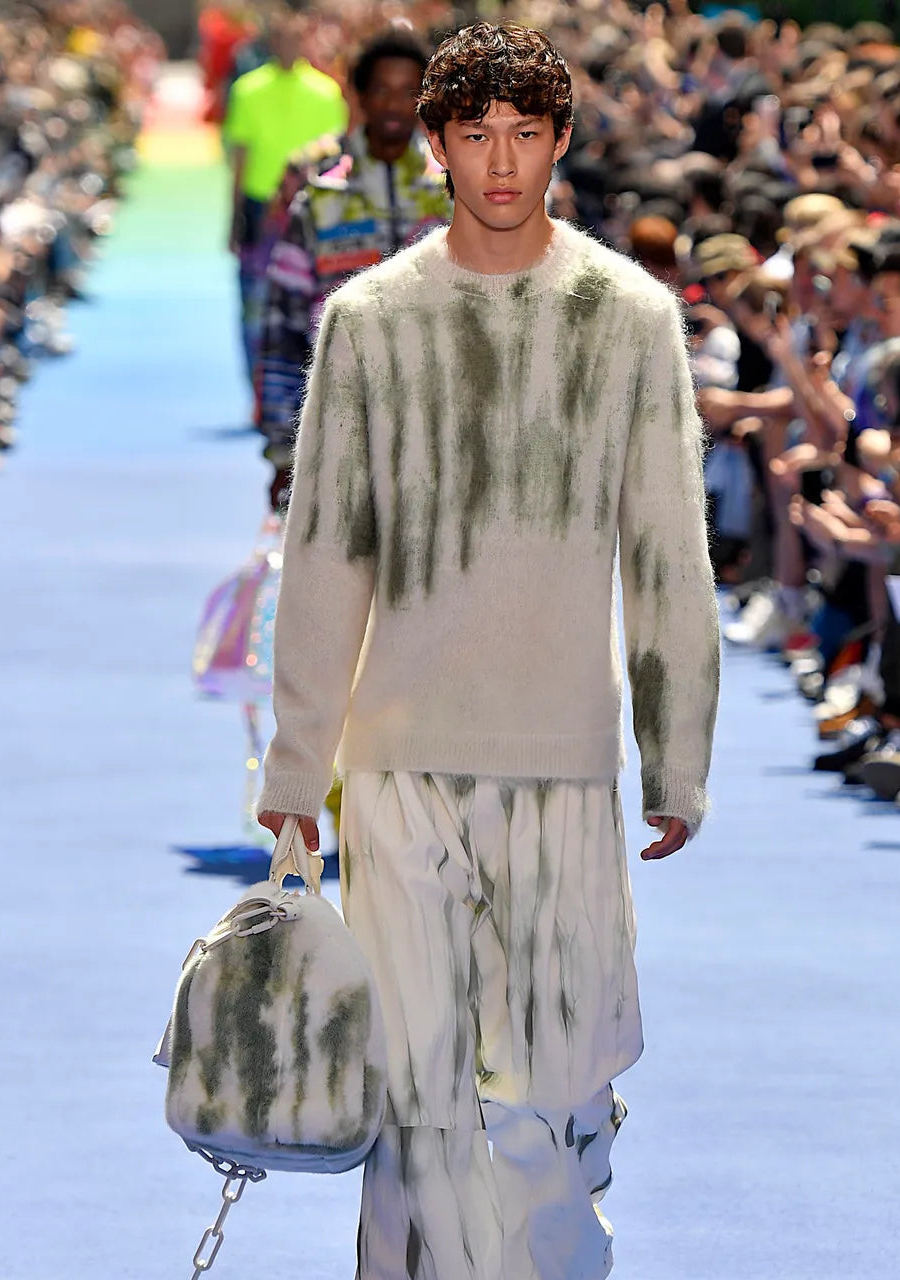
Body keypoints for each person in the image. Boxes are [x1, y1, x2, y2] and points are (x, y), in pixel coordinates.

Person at [256, 20, 719, 1278]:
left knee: (551, 1089)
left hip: (562, 757)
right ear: (438, 146)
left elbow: (668, 550)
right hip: (397, 760)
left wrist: (675, 754)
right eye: (476, 135)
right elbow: (327, 554)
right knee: (415, 1090)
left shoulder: (629, 317)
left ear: (561, 141)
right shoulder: (369, 321)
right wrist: (296, 769)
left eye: (525, 134)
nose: (502, 162)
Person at [258, 27, 451, 508]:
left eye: (407, 92)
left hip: (440, 423)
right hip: (341, 421)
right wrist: (282, 446)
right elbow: (282, 323)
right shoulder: (321, 197)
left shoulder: (454, 192)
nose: (394, 105)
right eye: (382, 91)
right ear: (360, 97)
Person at [223, 9, 349, 380]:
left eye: (295, 37)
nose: (288, 45)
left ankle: (307, 387)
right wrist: (233, 218)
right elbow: (240, 157)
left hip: (314, 208)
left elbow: (338, 154)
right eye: (281, 37)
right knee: (254, 304)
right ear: (271, 40)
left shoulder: (327, 91)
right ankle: (258, 390)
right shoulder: (247, 89)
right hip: (260, 208)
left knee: (310, 301)